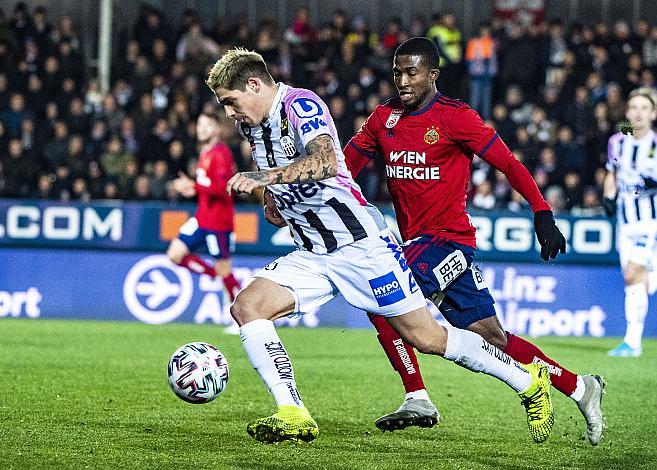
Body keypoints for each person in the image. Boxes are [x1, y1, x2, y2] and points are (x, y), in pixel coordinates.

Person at [207, 48, 554, 445]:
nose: (230, 113)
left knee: (427, 338)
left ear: (254, 84)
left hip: (362, 247)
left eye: (231, 101)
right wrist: (273, 201)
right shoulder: (254, 126)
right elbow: (283, 178)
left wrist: (265, 178)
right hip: (315, 252)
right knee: (247, 306)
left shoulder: (299, 105)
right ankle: (292, 412)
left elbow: (325, 163)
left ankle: (527, 381)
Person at [340, 37, 605, 446]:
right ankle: (579, 387)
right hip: (419, 244)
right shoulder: (384, 118)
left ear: (433, 75)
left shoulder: (455, 118)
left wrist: (541, 210)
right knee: (493, 337)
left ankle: (418, 397)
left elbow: (507, 163)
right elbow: (346, 167)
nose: (402, 81)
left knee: (384, 295)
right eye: (397, 73)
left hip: (449, 242)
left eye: (411, 73)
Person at [166, 112, 242, 314]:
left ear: (217, 129)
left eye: (207, 125)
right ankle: (212, 274)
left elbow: (223, 188)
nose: (201, 128)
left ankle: (243, 315)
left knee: (225, 271)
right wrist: (192, 189)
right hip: (201, 218)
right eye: (199, 124)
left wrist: (194, 185)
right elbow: (206, 187)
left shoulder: (221, 153)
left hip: (219, 222)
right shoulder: (205, 152)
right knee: (175, 253)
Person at [603, 87, 657, 357]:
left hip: (651, 222)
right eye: (634, 107)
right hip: (625, 224)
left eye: (644, 108)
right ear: (627, 112)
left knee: (632, 273)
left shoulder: (656, 145)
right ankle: (631, 340)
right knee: (637, 282)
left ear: (654, 113)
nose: (638, 112)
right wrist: (608, 196)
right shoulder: (618, 141)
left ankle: (632, 342)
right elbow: (611, 173)